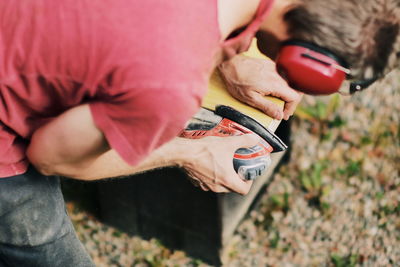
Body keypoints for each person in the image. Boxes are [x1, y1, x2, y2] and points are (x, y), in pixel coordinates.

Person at [0, 0, 398, 266]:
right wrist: (191, 152)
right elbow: (50, 156)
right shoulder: (168, 86)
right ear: (308, 63)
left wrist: (232, 54)